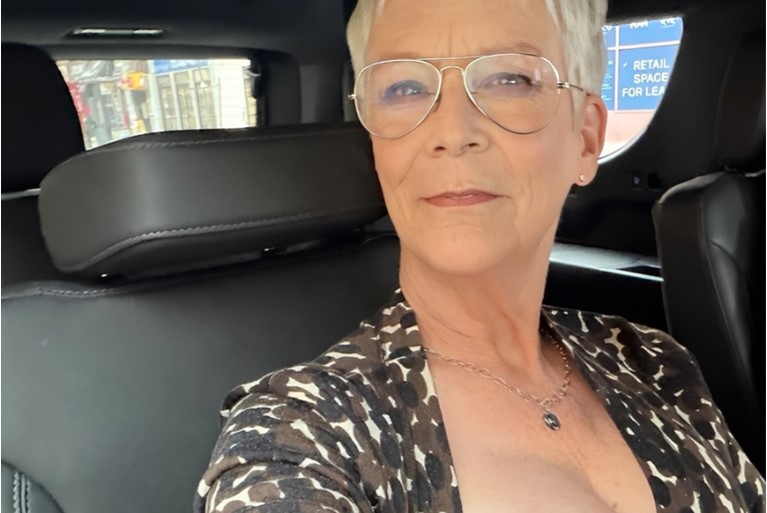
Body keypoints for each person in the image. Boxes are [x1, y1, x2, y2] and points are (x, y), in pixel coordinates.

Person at [194, 0, 765, 511]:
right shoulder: (301, 434)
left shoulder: (656, 362)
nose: (452, 130)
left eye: (509, 79)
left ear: (586, 139)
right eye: (404, 88)